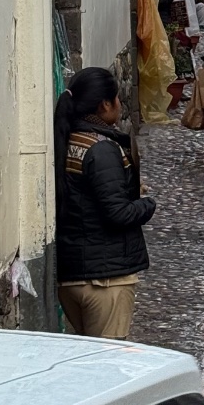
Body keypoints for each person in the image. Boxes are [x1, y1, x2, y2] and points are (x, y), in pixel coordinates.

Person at [54, 67, 156, 338]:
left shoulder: (67, 140)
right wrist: (147, 204)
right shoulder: (100, 148)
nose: (120, 104)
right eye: (117, 98)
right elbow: (117, 213)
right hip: (105, 279)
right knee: (109, 357)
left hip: (72, 274)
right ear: (105, 104)